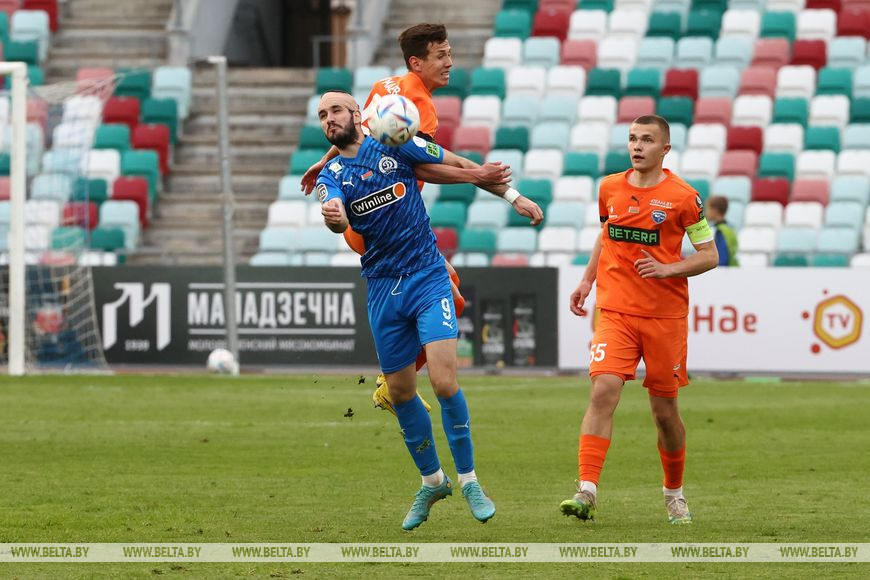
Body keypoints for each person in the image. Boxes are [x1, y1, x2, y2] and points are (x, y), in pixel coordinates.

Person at [314, 91, 542, 530]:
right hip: (382, 287)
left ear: (358, 114)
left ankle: (470, 481)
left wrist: (513, 196)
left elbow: (453, 166)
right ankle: (433, 481)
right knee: (400, 392)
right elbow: (335, 213)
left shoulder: (395, 142)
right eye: (322, 115)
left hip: (427, 275)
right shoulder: (331, 174)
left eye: (336, 110)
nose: (329, 119)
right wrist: (334, 217)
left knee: (443, 380)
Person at [302, 23, 475, 417]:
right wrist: (476, 176)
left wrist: (325, 161)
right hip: (384, 223)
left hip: (372, 219)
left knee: (452, 293)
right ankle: (389, 382)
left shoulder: (385, 88)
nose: (450, 62)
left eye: (449, 53)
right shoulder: (420, 108)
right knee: (447, 295)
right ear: (417, 62)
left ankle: (392, 379)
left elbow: (355, 132)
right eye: (442, 55)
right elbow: (425, 164)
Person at [561, 115, 719, 525]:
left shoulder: (684, 197)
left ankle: (674, 494)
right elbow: (605, 235)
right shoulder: (609, 188)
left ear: (665, 149)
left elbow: (709, 255)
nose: (637, 146)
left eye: (647, 140)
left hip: (664, 316)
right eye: (633, 138)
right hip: (616, 310)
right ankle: (586, 490)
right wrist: (587, 280)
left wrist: (668, 269)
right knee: (603, 390)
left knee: (664, 412)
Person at [705, 195, 738, 266]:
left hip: (723, 271)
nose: (706, 212)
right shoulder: (731, 228)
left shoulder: (719, 231)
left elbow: (722, 259)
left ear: (715, 210)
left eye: (708, 208)